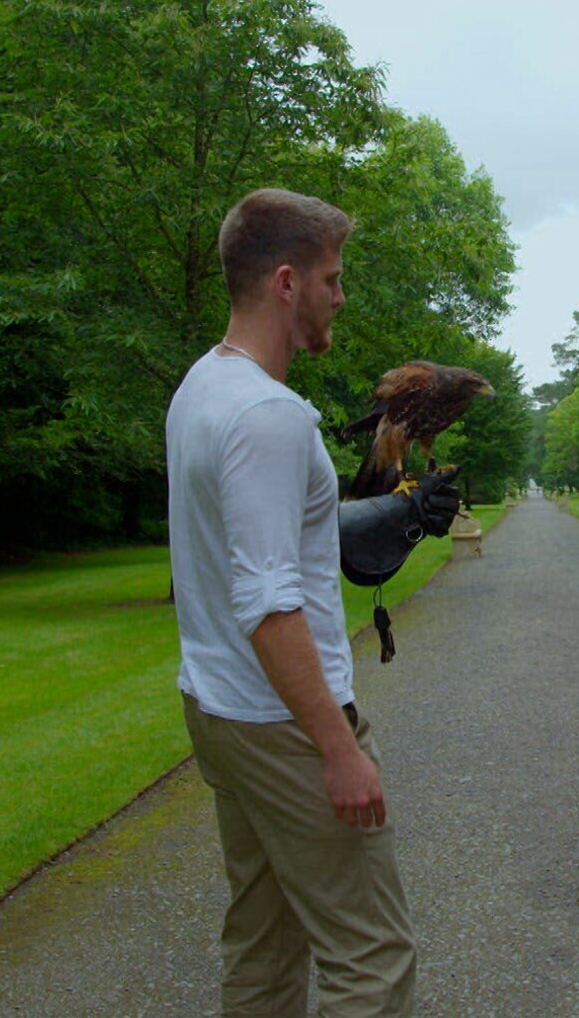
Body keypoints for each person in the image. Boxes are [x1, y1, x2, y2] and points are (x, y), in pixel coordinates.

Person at [166, 188, 456, 1016]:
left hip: (219, 707)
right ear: (287, 282)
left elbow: (255, 544)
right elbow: (268, 601)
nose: (341, 295)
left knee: (263, 946)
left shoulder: (203, 388)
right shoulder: (269, 415)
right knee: (371, 957)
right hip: (284, 722)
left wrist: (379, 511)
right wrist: (337, 746)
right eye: (332, 277)